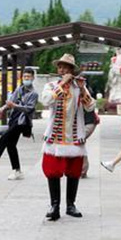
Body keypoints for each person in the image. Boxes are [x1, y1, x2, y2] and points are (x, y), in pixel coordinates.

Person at [39, 54, 95, 220]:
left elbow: (90, 106)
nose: (61, 70)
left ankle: (71, 205)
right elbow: (46, 101)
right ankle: (54, 206)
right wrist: (62, 84)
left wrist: (83, 89)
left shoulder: (78, 87)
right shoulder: (51, 85)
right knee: (52, 171)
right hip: (55, 136)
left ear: (71, 70)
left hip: (74, 136)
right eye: (60, 67)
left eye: (65, 67)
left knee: (74, 172)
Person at [0, 68, 38, 180]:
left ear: (33, 78)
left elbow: (29, 109)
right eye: (25, 76)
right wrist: (4, 107)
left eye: (28, 77)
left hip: (23, 121)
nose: (26, 79)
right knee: (11, 145)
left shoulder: (34, 94)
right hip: (14, 119)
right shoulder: (19, 89)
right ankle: (17, 171)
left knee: (4, 136)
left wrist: (14, 106)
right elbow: (11, 100)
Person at [80, 76, 100, 178]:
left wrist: (82, 89)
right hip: (78, 123)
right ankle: (79, 169)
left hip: (89, 122)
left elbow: (90, 106)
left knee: (79, 141)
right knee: (78, 142)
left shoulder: (86, 91)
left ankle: (83, 170)